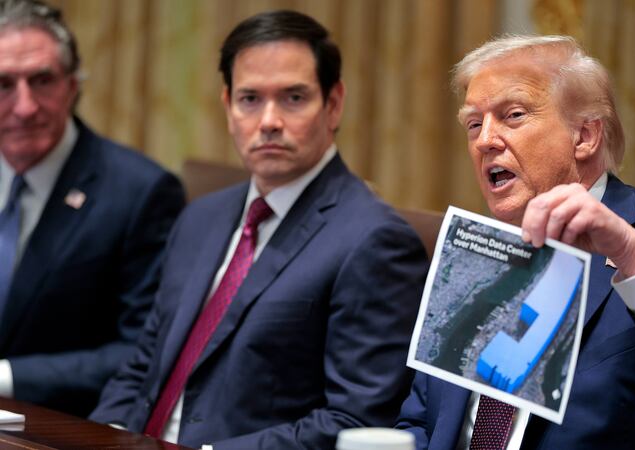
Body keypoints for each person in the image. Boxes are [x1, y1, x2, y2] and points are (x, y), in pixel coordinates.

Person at [395, 35, 635, 449]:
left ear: (585, 135)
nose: (484, 140)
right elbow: (422, 421)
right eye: (474, 124)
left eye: (513, 115)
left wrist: (633, 257)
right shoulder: (474, 254)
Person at [89, 9, 429, 449]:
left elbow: (354, 420)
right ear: (227, 106)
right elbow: (143, 366)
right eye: (250, 99)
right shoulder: (199, 217)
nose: (269, 120)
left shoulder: (375, 241)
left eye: (293, 98)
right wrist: (104, 435)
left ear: (334, 104)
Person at [0, 0, 184, 417]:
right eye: (3, 84)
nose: (24, 107)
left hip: (57, 425)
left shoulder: (141, 192)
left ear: (72, 85)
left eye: (42, 80)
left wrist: (6, 376)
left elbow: (142, 351)